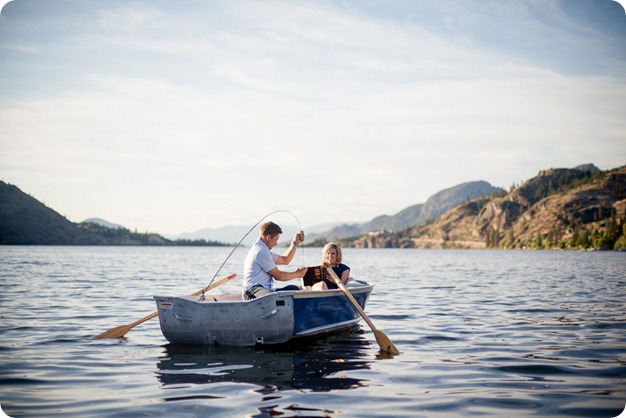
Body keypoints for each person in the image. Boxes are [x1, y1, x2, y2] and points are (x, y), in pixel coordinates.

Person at [242, 221, 307, 300]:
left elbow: (285, 260)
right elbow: (278, 276)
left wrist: (295, 243)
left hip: (265, 290)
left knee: (294, 289)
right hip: (252, 291)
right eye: (276, 239)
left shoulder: (264, 250)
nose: (276, 243)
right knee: (271, 298)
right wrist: (297, 274)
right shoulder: (260, 251)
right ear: (268, 237)